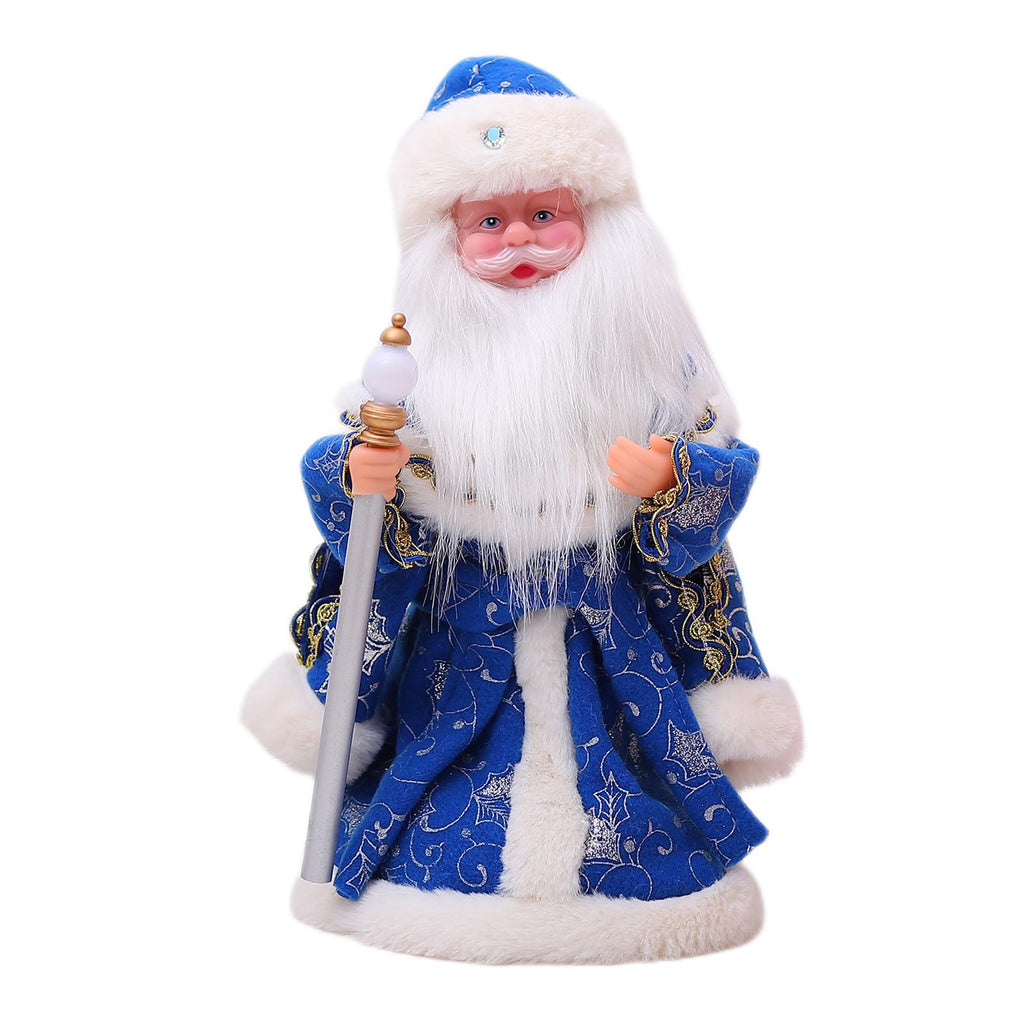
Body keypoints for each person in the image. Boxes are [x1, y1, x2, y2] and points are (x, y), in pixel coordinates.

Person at [243, 56, 802, 964]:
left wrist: (672, 475)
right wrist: (366, 471)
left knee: (622, 767)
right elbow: (364, 494)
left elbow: (716, 461)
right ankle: (441, 882)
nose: (519, 244)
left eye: (545, 215)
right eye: (489, 223)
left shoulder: (650, 360)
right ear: (448, 239)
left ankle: (626, 873)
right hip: (464, 630)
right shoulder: (421, 365)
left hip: (609, 627)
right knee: (452, 766)